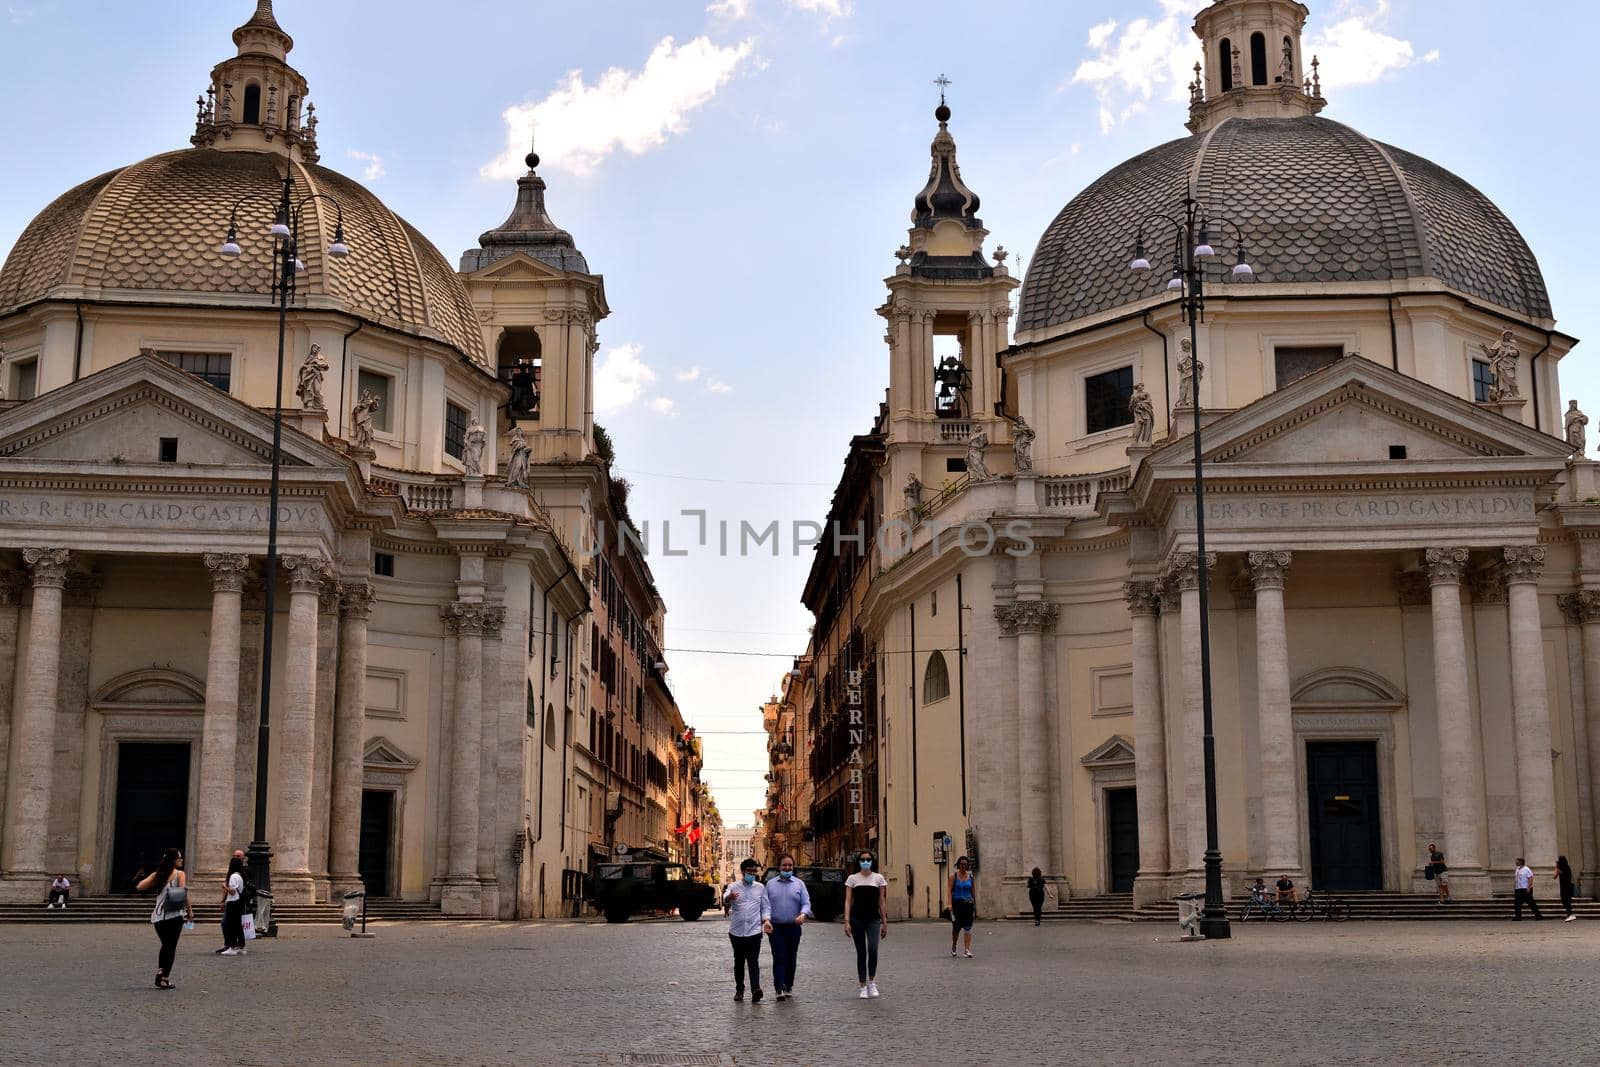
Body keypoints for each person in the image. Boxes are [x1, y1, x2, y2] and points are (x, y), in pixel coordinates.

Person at [137, 848, 193, 990]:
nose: (182, 860)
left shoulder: (158, 875)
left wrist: (157, 882)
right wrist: (190, 911)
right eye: (179, 858)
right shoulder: (180, 874)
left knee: (165, 945)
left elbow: (140, 886)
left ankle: (161, 971)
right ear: (174, 860)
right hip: (174, 915)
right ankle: (164, 977)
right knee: (171, 946)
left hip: (158, 917)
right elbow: (183, 893)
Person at [723, 858, 771, 1002]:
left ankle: (756, 988)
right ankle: (739, 990)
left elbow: (765, 907)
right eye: (749, 871)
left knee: (753, 961)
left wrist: (766, 920)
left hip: (754, 931)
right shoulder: (734, 886)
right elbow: (725, 896)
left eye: (754, 871)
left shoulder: (760, 888)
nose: (752, 873)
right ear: (743, 871)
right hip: (736, 931)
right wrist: (729, 897)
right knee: (739, 962)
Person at [765, 854, 812, 1001]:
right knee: (779, 957)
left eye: (790, 865)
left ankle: (788, 985)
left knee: (791, 957)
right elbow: (765, 905)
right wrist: (766, 920)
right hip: (776, 928)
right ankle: (779, 988)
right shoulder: (770, 884)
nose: (787, 868)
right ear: (779, 867)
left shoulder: (799, 884)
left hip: (793, 927)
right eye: (784, 865)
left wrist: (803, 914)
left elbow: (806, 903)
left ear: (793, 867)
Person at [844, 849, 888, 999]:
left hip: (873, 919)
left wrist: (885, 921)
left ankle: (872, 982)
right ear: (858, 862)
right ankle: (862, 986)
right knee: (861, 952)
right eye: (862, 859)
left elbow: (881, 901)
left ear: (872, 861)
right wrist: (847, 921)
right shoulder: (852, 878)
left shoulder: (879, 878)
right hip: (857, 919)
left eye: (868, 859)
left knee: (873, 949)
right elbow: (848, 900)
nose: (865, 861)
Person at [217, 854, 248, 955]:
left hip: (233, 902)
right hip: (238, 902)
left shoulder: (233, 876)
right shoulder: (239, 876)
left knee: (231, 925)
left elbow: (233, 891)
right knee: (237, 925)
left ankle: (232, 946)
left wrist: (224, 886)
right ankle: (241, 946)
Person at [948, 856, 976, 957]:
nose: (963, 866)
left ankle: (967, 949)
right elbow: (949, 891)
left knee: (968, 927)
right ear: (958, 865)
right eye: (962, 864)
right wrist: (950, 903)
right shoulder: (953, 877)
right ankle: (954, 945)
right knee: (956, 927)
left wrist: (974, 904)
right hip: (957, 904)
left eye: (965, 864)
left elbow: (973, 892)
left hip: (968, 904)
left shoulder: (971, 878)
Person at [1556, 856, 1577, 922]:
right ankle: (1569, 914)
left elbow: (1554, 876)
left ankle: (1570, 914)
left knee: (1565, 901)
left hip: (1565, 887)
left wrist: (1556, 867)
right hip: (1567, 886)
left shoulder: (1562, 868)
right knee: (1567, 901)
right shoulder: (1567, 867)